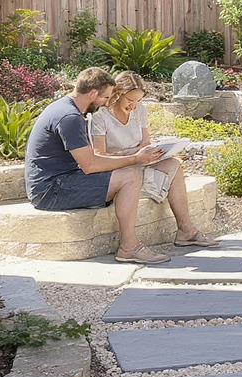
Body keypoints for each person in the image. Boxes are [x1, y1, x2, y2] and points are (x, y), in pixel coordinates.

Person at [24, 67, 169, 264]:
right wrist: (135, 159)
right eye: (106, 97)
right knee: (130, 176)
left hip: (62, 180)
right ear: (93, 94)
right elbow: (90, 165)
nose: (107, 102)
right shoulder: (69, 117)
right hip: (50, 191)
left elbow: (89, 160)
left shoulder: (66, 108)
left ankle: (130, 246)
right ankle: (129, 247)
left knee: (127, 173)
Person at [89, 71, 218, 248]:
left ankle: (185, 230)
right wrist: (133, 157)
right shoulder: (100, 116)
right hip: (118, 168)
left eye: (138, 101)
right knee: (146, 172)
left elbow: (145, 142)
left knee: (174, 165)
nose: (134, 106)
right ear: (117, 94)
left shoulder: (140, 110)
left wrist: (156, 152)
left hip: (140, 160)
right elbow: (100, 155)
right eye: (130, 100)